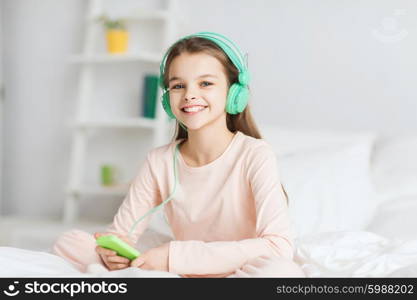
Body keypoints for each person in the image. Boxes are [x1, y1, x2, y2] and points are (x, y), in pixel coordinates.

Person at [52, 32, 305, 278]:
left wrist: (174, 256)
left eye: (205, 83)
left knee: (283, 272)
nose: (189, 95)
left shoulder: (254, 154)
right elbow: (121, 233)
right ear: (167, 99)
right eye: (178, 85)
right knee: (72, 242)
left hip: (237, 269)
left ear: (234, 92)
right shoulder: (159, 161)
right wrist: (113, 253)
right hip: (180, 270)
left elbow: (278, 246)